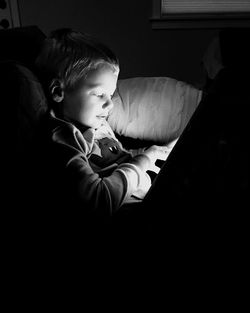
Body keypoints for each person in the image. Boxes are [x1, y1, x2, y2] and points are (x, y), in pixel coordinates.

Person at [34, 28, 177, 237]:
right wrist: (142, 163)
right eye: (100, 94)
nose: (110, 104)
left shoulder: (96, 124)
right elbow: (97, 201)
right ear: (58, 91)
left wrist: (152, 154)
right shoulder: (64, 138)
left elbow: (119, 159)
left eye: (110, 94)